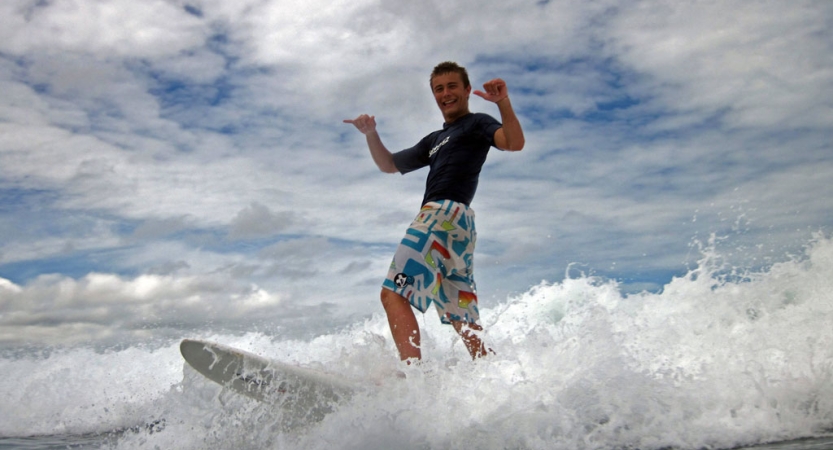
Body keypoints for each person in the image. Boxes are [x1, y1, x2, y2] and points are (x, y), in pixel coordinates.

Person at [344, 61, 525, 363]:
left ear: (467, 90)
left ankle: (414, 378)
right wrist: (370, 134)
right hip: (460, 229)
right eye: (439, 89)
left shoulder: (478, 122)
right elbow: (388, 164)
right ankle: (496, 377)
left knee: (394, 293)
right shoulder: (433, 141)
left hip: (439, 216)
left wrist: (502, 102)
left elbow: (514, 143)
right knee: (461, 315)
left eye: (452, 86)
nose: (446, 93)